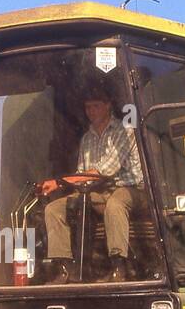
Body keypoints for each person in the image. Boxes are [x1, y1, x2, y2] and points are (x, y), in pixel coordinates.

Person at [41, 80, 145, 283]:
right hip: (99, 191)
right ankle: (65, 268)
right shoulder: (87, 139)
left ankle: (119, 266)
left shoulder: (125, 131)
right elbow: (83, 174)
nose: (91, 111)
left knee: (115, 205)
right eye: (88, 107)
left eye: (96, 106)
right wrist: (72, 190)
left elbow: (103, 171)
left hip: (130, 189)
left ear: (108, 106)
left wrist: (59, 183)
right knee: (54, 208)